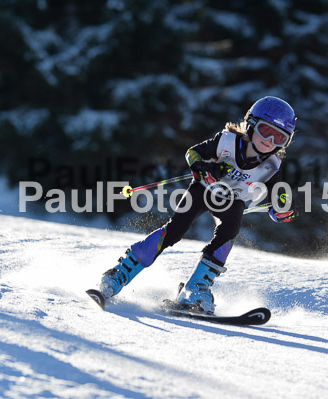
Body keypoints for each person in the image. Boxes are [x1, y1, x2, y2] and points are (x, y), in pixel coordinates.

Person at [95, 96, 299, 314]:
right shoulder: (226, 142)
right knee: (175, 230)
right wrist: (205, 169)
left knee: (230, 230)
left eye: (280, 138)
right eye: (265, 131)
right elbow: (192, 153)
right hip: (204, 189)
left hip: (232, 201)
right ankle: (120, 273)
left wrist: (281, 210)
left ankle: (195, 289)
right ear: (250, 125)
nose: (270, 141)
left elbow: (280, 197)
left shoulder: (271, 167)